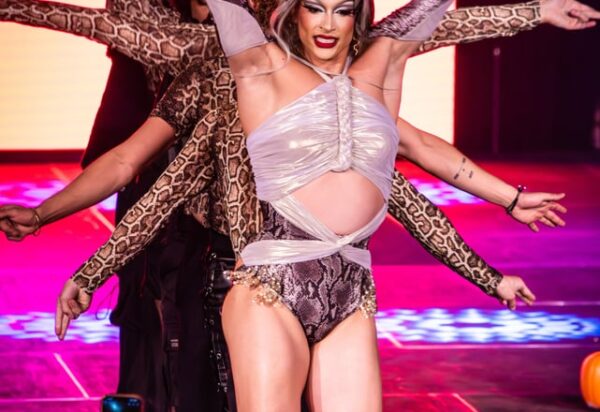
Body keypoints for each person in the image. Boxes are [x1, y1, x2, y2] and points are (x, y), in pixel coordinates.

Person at [0, 0, 595, 409]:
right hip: (248, 275)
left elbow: (413, 178)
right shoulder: (238, 74)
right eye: (316, 7)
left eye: (342, 9)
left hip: (347, 285)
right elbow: (149, 178)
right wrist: (83, 260)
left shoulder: (365, 94)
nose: (328, 21)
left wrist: (535, 12)